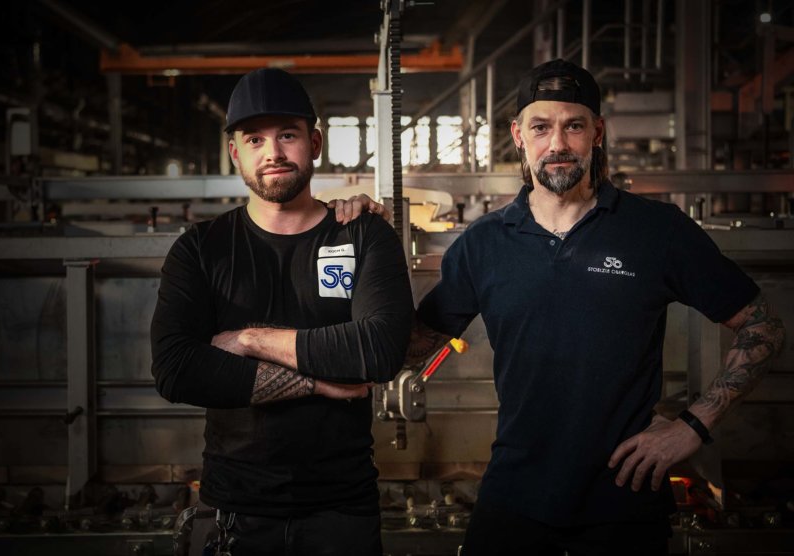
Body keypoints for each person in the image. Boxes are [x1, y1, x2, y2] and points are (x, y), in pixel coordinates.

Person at [337, 59, 785, 555]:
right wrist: (367, 241)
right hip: (515, 496)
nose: (557, 144)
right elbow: (408, 349)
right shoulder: (484, 243)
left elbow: (762, 326)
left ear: (597, 133)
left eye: (573, 125)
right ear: (518, 135)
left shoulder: (657, 231)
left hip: (625, 501)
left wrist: (693, 425)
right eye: (541, 127)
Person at [150, 67, 414, 556]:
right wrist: (319, 380)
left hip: (343, 508)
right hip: (236, 509)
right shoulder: (201, 249)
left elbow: (376, 351)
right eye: (254, 139)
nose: (272, 153)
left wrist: (248, 341)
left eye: (287, 135)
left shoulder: (362, 234)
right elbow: (175, 369)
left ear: (314, 143)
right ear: (236, 152)